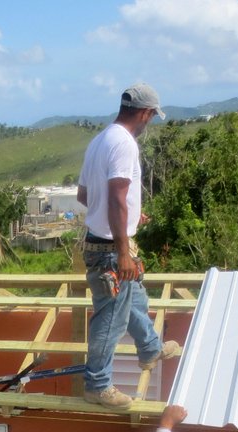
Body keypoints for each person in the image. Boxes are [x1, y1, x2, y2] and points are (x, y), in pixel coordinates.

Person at [77, 83, 181, 411]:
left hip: (105, 241)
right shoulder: (125, 144)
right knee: (110, 319)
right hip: (111, 249)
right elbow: (118, 196)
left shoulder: (100, 140)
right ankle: (97, 385)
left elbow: (85, 196)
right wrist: (123, 250)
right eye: (152, 116)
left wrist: (134, 216)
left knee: (134, 299)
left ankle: (150, 347)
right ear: (146, 113)